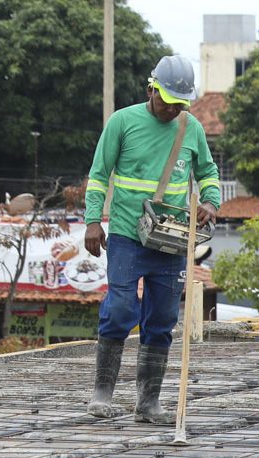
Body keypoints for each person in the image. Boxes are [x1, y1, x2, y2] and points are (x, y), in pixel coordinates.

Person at [83, 54, 222, 423]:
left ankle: (148, 403)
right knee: (122, 309)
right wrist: (93, 220)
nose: (171, 109)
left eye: (179, 103)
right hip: (129, 234)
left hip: (171, 239)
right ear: (150, 90)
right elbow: (99, 175)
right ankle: (101, 393)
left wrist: (210, 200)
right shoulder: (122, 122)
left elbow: (207, 171)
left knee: (161, 318)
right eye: (166, 101)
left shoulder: (190, 128)